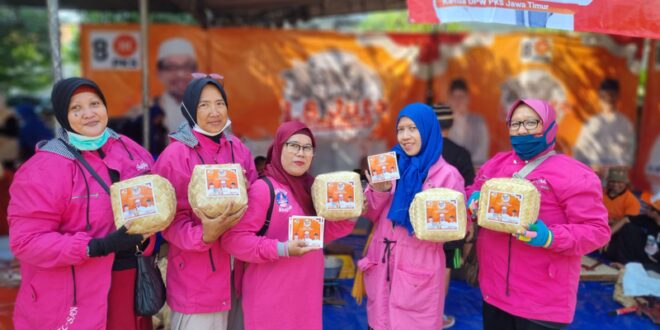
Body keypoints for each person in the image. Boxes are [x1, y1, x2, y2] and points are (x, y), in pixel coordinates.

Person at [8, 77, 156, 329]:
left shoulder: (129, 149)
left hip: (129, 282)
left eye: (95, 104)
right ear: (62, 116)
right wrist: (95, 246)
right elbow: (26, 242)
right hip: (71, 293)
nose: (88, 114)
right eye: (76, 108)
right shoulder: (45, 168)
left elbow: (154, 196)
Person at [467, 99, 610, 329]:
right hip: (494, 292)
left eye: (530, 122)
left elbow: (597, 230)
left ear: (549, 127)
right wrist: (472, 199)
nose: (521, 129)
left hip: (542, 301)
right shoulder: (496, 165)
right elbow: (474, 189)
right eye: (515, 124)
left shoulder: (574, 174)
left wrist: (550, 237)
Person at [221, 121, 355, 330]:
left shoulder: (313, 189)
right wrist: (282, 248)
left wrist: (351, 215)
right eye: (293, 145)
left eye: (307, 147)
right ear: (278, 148)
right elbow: (234, 241)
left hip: (306, 296)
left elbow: (320, 233)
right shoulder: (263, 189)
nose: (300, 153)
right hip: (270, 297)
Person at [152, 74, 258, 329]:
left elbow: (257, 199)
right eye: (204, 105)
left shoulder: (237, 149)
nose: (214, 112)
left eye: (219, 103)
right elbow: (167, 220)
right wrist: (204, 234)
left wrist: (248, 194)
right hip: (197, 281)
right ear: (189, 109)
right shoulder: (175, 155)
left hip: (239, 274)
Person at [359, 103, 466, 329]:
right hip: (382, 262)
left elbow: (455, 230)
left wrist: (430, 220)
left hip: (419, 271)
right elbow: (370, 214)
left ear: (428, 129)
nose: (405, 136)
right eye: (401, 129)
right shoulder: (390, 164)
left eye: (413, 129)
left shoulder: (447, 175)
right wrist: (378, 190)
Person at [433, 103, 475, 329]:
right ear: (451, 123)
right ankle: (437, 316)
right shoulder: (461, 154)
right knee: (447, 264)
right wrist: (469, 224)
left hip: (422, 221)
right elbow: (470, 191)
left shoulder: (420, 150)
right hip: (452, 221)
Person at [573, 78, 635, 167]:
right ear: (600, 97)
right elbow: (579, 153)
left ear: (617, 97)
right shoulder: (591, 123)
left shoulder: (626, 124)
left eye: (612, 95)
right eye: (604, 96)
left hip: (614, 176)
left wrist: (609, 169)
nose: (608, 99)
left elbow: (629, 157)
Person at [606, 193, 660, 272]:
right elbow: (626, 219)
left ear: (655, 212)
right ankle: (625, 262)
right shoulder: (649, 219)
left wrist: (629, 267)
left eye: (648, 208)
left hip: (655, 264)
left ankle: (627, 265)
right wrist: (606, 237)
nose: (645, 209)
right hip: (645, 253)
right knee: (629, 227)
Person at [446, 79, 489, 165]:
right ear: (449, 99)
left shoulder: (478, 122)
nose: (458, 101)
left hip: (473, 171)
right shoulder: (444, 124)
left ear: (467, 98)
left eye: (461, 96)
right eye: (454, 97)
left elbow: (481, 153)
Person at [602, 167, 641, 237]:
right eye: (613, 181)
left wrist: (607, 236)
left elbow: (627, 220)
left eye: (620, 182)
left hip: (619, 233)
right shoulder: (599, 193)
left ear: (626, 183)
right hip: (598, 227)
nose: (616, 184)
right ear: (608, 181)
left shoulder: (632, 200)